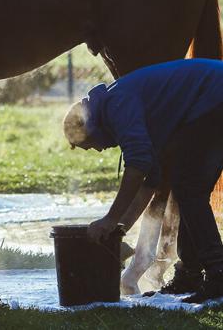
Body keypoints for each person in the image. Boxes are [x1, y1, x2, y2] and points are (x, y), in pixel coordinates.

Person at [64, 58, 223, 303]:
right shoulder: (117, 105)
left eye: (89, 145)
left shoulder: (117, 105)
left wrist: (110, 218)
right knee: (188, 189)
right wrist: (119, 230)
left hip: (214, 95)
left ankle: (217, 273)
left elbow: (137, 165)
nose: (97, 150)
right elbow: (152, 180)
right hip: (210, 98)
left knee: (189, 189)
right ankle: (191, 274)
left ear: (91, 127)